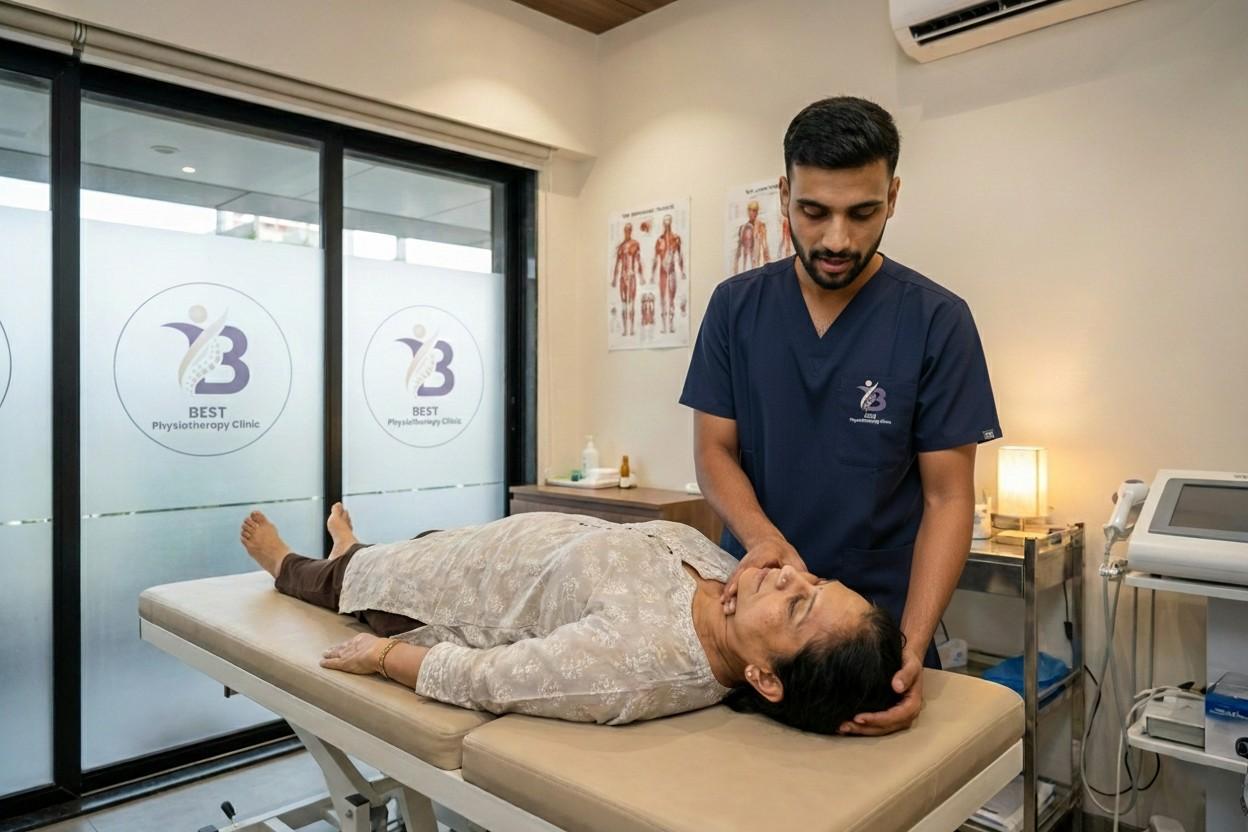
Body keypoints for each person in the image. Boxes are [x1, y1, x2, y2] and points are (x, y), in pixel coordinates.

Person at [680, 97, 1001, 737]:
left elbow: (947, 498)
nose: (836, 239)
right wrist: (763, 539)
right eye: (813, 211)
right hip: (749, 631)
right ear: (783, 194)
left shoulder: (937, 321)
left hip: (869, 633)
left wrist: (909, 648)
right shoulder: (736, 308)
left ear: (893, 196)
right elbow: (714, 452)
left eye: (863, 213)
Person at [238, 503, 904, 733]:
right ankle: (353, 549)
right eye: (812, 579)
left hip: (452, 594)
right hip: (496, 547)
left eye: (796, 604)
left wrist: (382, 659)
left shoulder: (635, 666)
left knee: (349, 581)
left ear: (764, 678)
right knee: (414, 542)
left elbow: (489, 679)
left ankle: (292, 563)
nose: (789, 572)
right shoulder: (730, 583)